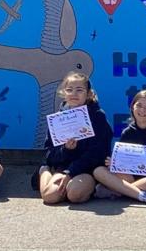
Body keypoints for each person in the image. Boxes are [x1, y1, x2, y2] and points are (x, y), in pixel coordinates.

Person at [33, 71, 113, 204]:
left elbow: (99, 153)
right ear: (64, 94)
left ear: (88, 94)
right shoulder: (58, 119)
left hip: (87, 170)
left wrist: (71, 172)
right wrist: (66, 149)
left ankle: (87, 186)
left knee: (75, 195)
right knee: (50, 197)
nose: (74, 94)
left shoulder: (97, 116)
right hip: (63, 166)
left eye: (79, 90)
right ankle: (44, 172)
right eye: (69, 90)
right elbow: (49, 154)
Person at [93, 90, 146, 206]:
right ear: (132, 108)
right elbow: (123, 163)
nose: (142, 110)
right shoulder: (127, 133)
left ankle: (118, 191)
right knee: (98, 171)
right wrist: (114, 163)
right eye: (138, 105)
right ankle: (144, 195)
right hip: (130, 178)